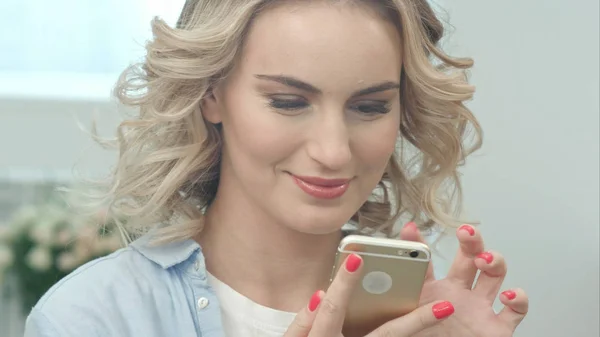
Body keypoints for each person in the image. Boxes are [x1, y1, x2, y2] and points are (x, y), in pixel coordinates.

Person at [24, 0, 529, 336]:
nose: (333, 151)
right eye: (289, 101)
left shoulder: (427, 317)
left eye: (370, 107)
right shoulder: (92, 318)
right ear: (211, 95)